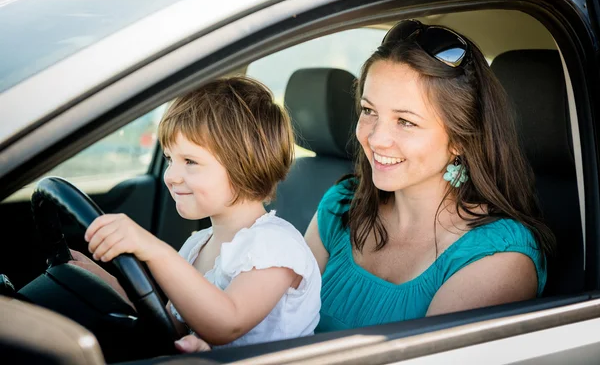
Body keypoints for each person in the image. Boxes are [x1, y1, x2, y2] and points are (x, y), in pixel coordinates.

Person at [303, 19, 555, 332]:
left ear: (461, 139)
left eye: (405, 121)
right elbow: (278, 327)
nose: (376, 138)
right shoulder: (339, 207)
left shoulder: (498, 257)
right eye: (369, 111)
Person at [71, 76, 321, 350]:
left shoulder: (275, 247)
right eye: (169, 159)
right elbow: (171, 322)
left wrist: (155, 250)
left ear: (244, 165)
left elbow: (228, 322)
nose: (171, 176)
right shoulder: (197, 244)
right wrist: (104, 281)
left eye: (190, 161)